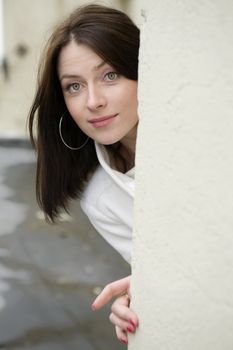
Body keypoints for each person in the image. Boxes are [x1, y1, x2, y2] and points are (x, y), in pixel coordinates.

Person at [28, 4, 139, 345]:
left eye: (110, 75)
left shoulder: (203, 141)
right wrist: (138, 297)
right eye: (74, 86)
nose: (93, 101)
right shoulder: (99, 197)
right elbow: (159, 266)